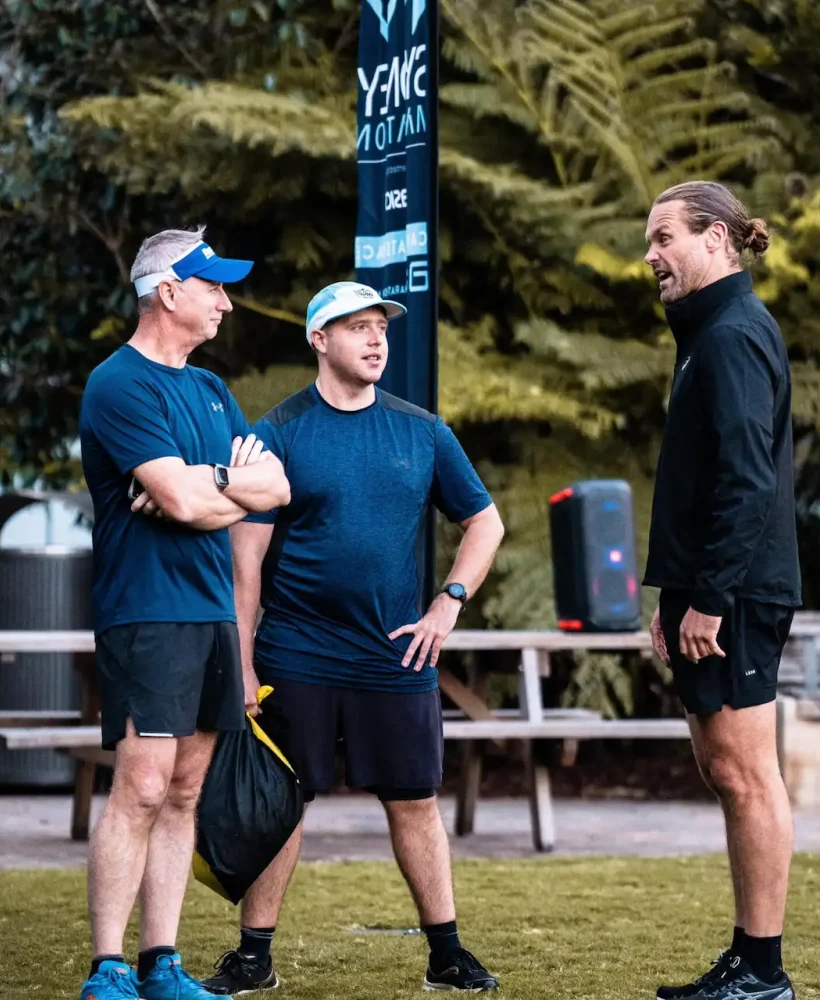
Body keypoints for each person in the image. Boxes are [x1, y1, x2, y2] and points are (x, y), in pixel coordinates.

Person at [200, 281, 506, 995]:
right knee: (281, 800)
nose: (376, 340)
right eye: (357, 328)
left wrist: (449, 602)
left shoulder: (422, 431)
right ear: (319, 340)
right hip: (296, 653)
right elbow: (245, 566)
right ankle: (254, 957)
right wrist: (241, 663)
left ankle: (447, 954)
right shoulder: (277, 433)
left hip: (395, 654)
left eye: (381, 328)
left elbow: (483, 522)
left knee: (415, 801)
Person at [77, 225, 291, 1000]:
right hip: (146, 611)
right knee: (141, 783)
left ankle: (161, 963)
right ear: (168, 293)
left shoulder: (210, 390)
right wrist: (207, 491)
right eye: (213, 288)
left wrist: (205, 487)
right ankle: (107, 968)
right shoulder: (119, 384)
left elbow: (277, 490)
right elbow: (181, 501)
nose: (226, 304)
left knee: (188, 790)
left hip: (209, 613)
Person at [642, 183, 802, 1000]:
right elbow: (700, 483)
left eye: (664, 236)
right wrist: (672, 600)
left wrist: (708, 599)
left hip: (736, 592)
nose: (651, 255)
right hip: (707, 590)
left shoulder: (735, 334)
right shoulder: (707, 335)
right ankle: (747, 958)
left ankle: (765, 972)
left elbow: (746, 481)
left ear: (716, 240)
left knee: (747, 772)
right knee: (724, 770)